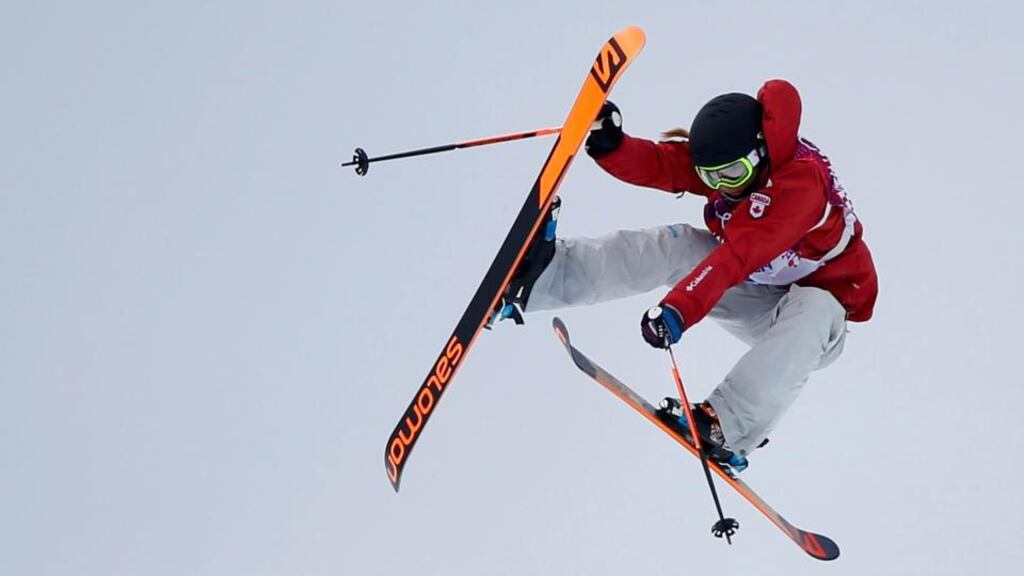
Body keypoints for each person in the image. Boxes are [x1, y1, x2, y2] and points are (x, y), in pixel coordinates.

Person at [500, 79, 878, 472]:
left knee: (815, 306)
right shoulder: (739, 168)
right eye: (711, 176)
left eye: (731, 173)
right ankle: (545, 277)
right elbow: (666, 165)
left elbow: (737, 257)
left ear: (761, 153)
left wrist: (679, 310)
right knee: (679, 244)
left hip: (815, 328)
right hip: (761, 291)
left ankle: (726, 428)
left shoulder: (800, 186)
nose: (722, 186)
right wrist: (613, 145)